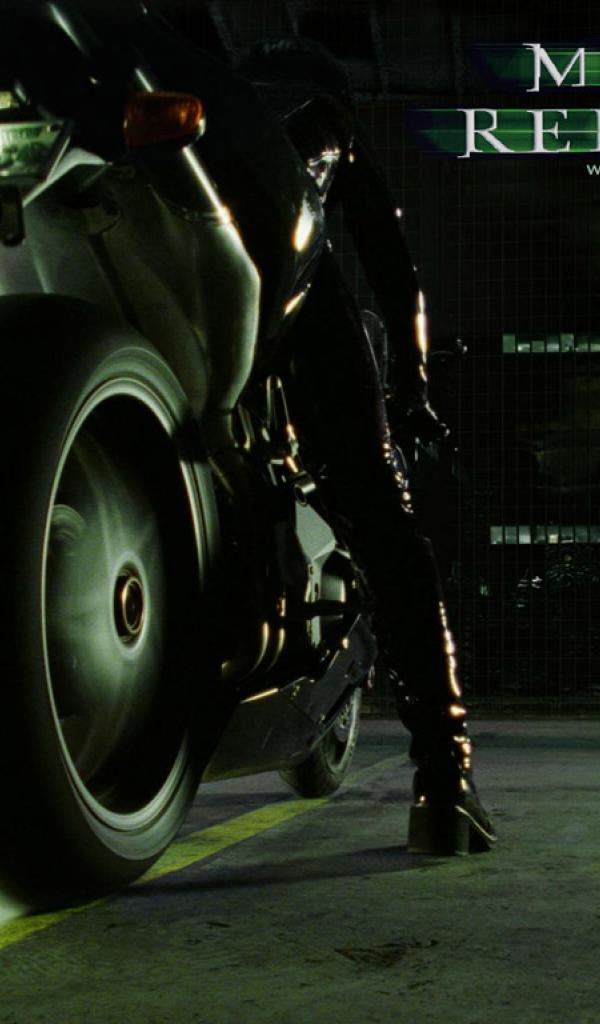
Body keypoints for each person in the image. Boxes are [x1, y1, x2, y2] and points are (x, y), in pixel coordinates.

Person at [235, 37, 496, 855]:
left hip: (164, 282)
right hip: (289, 300)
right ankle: (445, 777)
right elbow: (392, 266)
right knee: (388, 528)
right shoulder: (322, 117)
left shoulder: (212, 106)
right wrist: (413, 392)